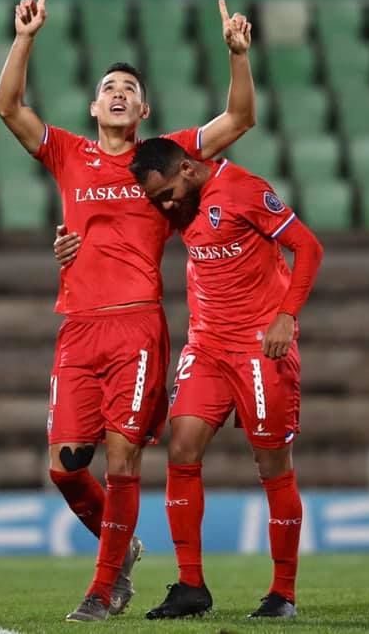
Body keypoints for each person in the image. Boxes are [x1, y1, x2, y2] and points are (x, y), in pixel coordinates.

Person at [0, 0, 256, 622]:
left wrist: (237, 55)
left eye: (129, 89)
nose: (118, 93)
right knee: (63, 467)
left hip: (137, 327)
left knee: (122, 458)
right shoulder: (68, 153)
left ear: (143, 109)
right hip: (78, 325)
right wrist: (24, 39)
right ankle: (123, 549)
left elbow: (239, 120)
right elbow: (7, 107)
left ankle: (104, 586)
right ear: (93, 106)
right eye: (109, 87)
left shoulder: (161, 160)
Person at [119, 138, 323, 619]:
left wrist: (287, 315)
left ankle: (283, 593)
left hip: (260, 344)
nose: (165, 206)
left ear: (188, 169)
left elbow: (309, 248)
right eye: (157, 199)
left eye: (167, 194)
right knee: (181, 449)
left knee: (272, 464)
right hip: (207, 345)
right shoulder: (179, 203)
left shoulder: (245, 190)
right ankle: (191, 585)